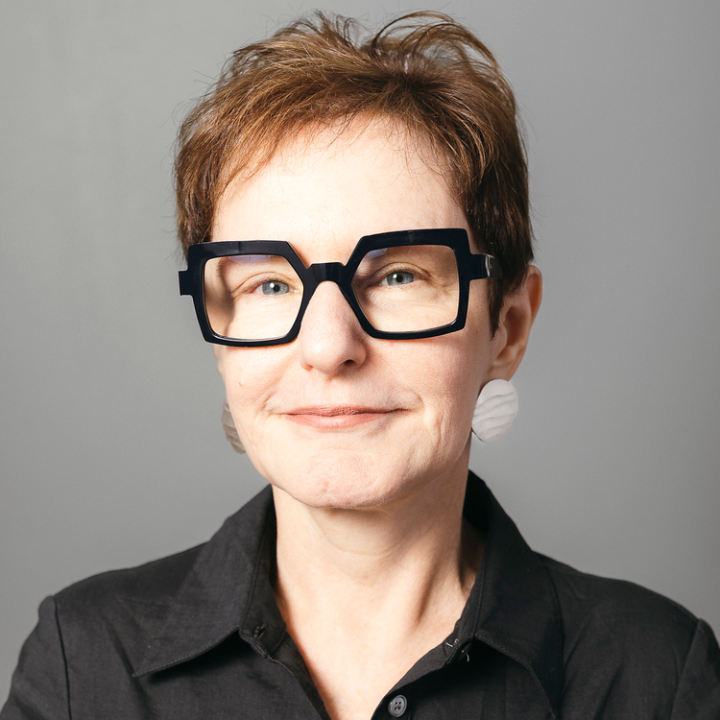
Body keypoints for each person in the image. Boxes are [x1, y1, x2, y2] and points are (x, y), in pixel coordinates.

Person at [2, 11, 719, 720]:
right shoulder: (82, 669)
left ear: (508, 327)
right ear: (222, 339)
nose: (327, 347)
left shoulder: (657, 676)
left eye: (399, 275)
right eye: (270, 285)